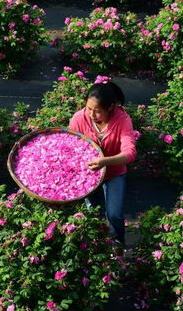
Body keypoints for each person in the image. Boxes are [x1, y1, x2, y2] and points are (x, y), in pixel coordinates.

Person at [68, 81, 136, 244]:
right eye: (89, 108)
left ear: (110, 107)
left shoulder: (122, 120)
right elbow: (69, 145)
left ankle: (117, 244)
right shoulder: (79, 118)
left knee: (113, 213)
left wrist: (105, 161)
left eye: (97, 111)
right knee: (92, 212)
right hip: (88, 174)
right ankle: (96, 245)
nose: (91, 114)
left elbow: (130, 153)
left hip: (114, 173)